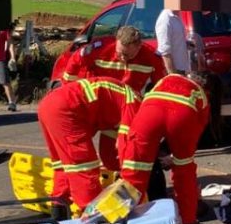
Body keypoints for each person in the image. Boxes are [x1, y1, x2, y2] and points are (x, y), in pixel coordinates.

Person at [59, 25, 165, 169]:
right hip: (94, 107)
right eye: (119, 52)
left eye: (127, 55)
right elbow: (74, 62)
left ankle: (124, 178)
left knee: (111, 157)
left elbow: (161, 87)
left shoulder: (151, 57)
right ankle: (67, 177)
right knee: (73, 145)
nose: (122, 58)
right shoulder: (100, 49)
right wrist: (69, 94)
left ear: (139, 47)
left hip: (120, 114)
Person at [118, 72, 210, 224]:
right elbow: (196, 131)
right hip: (182, 116)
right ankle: (188, 222)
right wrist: (175, 156)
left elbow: (154, 111)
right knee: (184, 170)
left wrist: (157, 151)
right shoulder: (200, 94)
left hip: (149, 114)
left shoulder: (165, 80)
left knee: (133, 173)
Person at [37, 77, 137, 209]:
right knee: (83, 165)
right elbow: (129, 149)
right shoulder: (135, 105)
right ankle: (93, 217)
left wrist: (119, 169)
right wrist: (133, 181)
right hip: (67, 107)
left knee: (63, 163)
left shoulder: (117, 105)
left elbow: (109, 154)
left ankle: (59, 211)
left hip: (49, 104)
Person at [154, 5, 190, 75]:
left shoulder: (176, 15)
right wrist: (173, 75)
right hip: (175, 70)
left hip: (183, 68)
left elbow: (175, 39)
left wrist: (186, 43)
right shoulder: (165, 19)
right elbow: (165, 51)